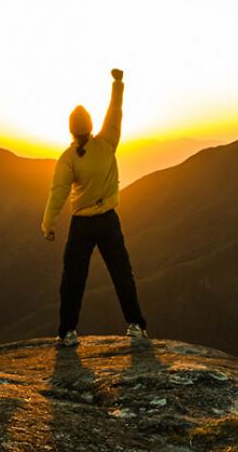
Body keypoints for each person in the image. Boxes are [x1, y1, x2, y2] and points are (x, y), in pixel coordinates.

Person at [41, 68, 148, 347]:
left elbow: (58, 193)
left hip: (81, 225)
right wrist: (117, 83)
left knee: (73, 280)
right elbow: (115, 110)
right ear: (90, 126)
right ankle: (136, 325)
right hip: (108, 221)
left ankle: (67, 332)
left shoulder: (67, 159)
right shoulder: (107, 142)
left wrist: (48, 224)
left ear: (71, 130)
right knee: (122, 273)